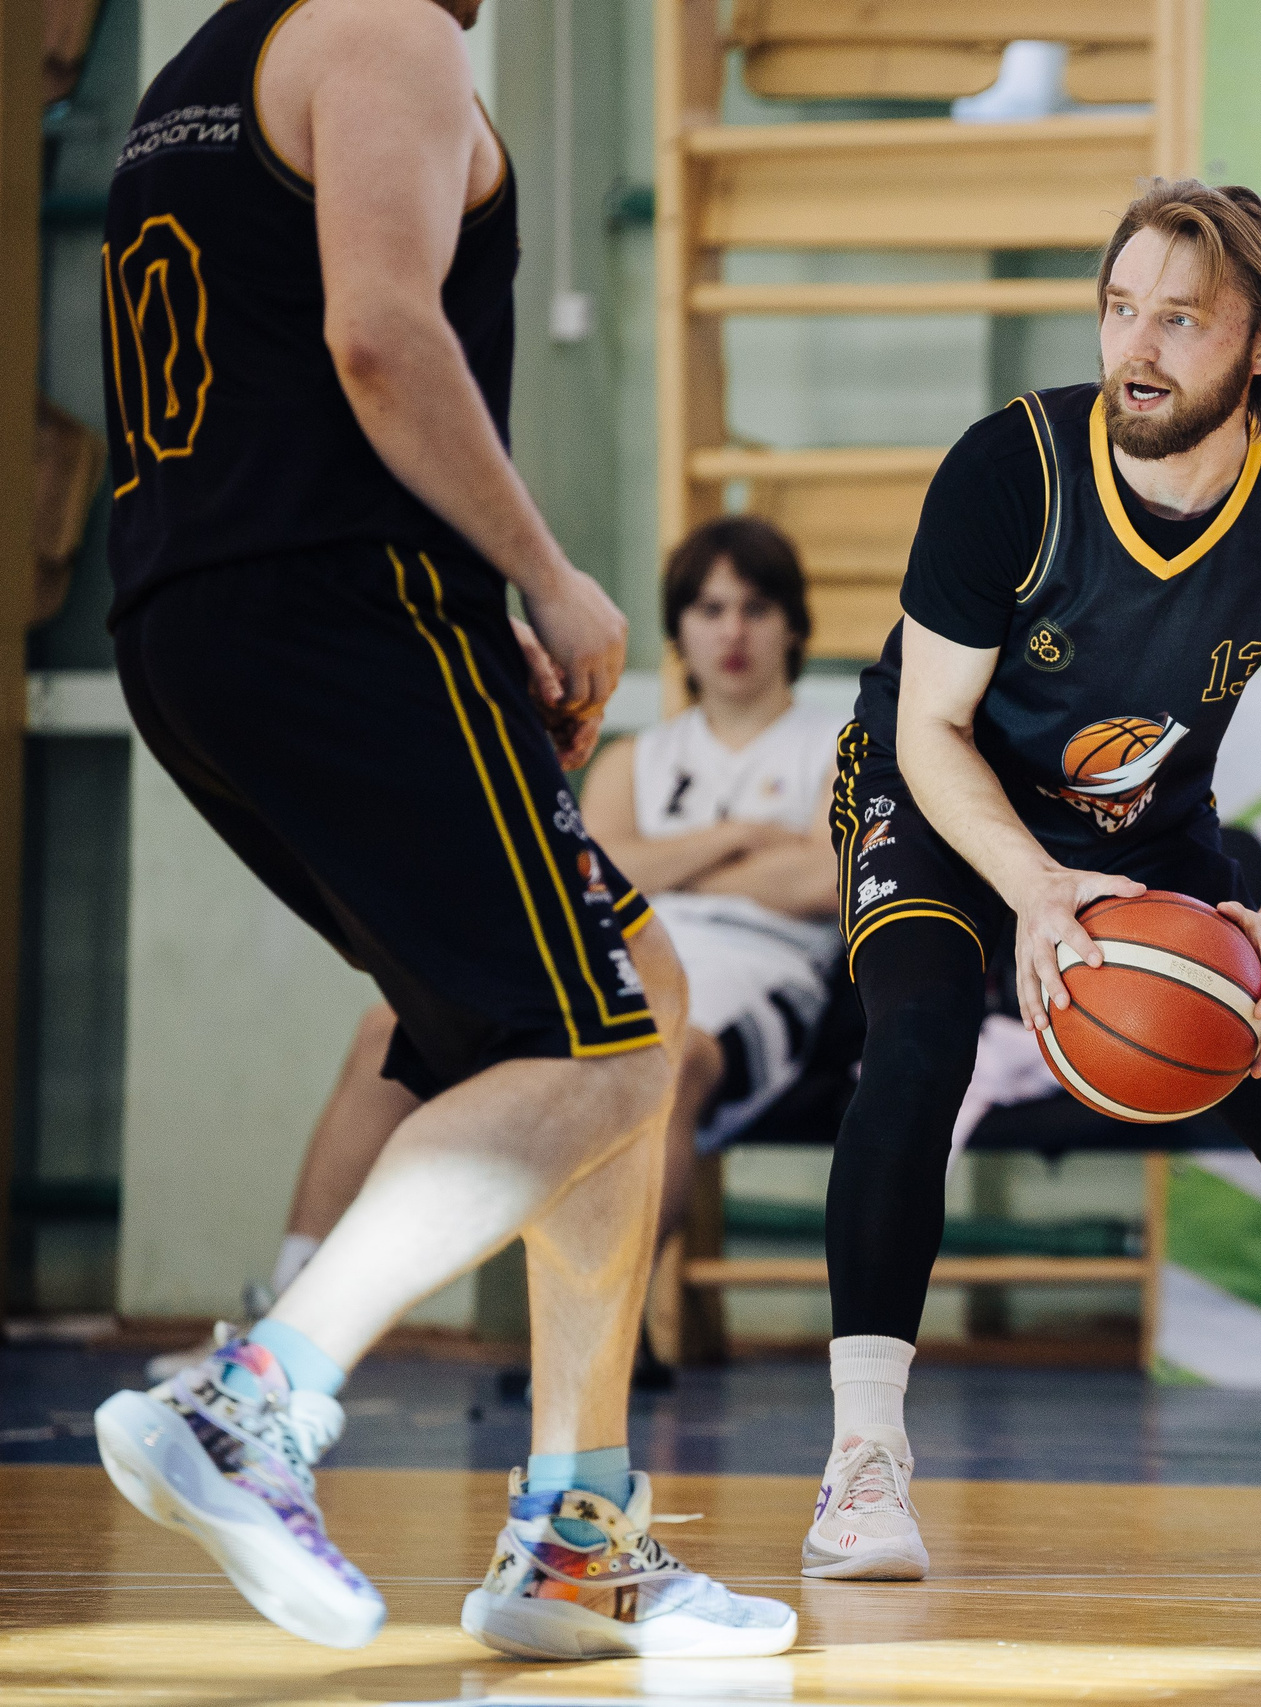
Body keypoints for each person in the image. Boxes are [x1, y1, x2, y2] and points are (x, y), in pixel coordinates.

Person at [90, 0, 792, 1659]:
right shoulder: (388, 27)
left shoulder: (198, 69)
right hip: (346, 612)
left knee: (637, 985)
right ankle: (257, 1397)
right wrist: (548, 573)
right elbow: (381, 337)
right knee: (615, 1053)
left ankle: (575, 1528)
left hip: (193, 626)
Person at [806, 178, 1261, 1580]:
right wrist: (1031, 891)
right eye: (1118, 308)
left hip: (1146, 829)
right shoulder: (1010, 468)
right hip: (942, 790)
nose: (1136, 348)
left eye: (1181, 320)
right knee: (915, 1042)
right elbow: (927, 722)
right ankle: (864, 1461)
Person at [191, 516, 846, 1376]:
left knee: (668, 1056)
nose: (731, 631)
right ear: (678, 626)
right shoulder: (633, 758)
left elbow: (821, 885)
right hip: (624, 952)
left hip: (763, 975)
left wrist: (670, 864)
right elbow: (600, 881)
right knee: (385, 1029)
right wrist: (741, 836)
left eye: (754, 608)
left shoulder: (839, 741)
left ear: (792, 624)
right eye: (708, 607)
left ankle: (602, 1350)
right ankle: (280, 1314)